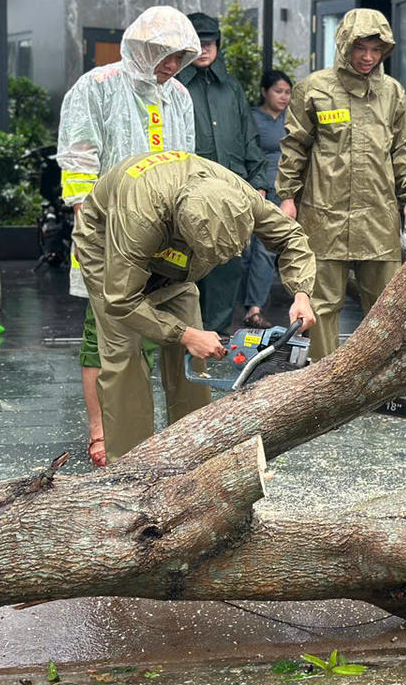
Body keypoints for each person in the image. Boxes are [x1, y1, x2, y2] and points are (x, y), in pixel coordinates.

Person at [72, 150, 316, 460]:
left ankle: (194, 450)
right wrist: (185, 334)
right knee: (125, 356)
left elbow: (291, 237)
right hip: (108, 243)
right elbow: (122, 300)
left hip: (174, 259)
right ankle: (131, 467)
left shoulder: (240, 198)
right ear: (186, 234)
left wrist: (301, 294)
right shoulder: (140, 217)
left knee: (191, 351)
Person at [56, 6, 200, 468]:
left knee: (170, 327)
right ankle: (103, 433)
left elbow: (188, 163)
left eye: (179, 55)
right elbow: (78, 160)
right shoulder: (97, 87)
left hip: (167, 237)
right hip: (109, 233)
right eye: (163, 53)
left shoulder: (178, 95)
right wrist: (88, 228)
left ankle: (177, 431)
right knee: (107, 332)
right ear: (139, 46)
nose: (172, 64)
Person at [276, 8, 406, 360]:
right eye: (361, 48)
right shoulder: (313, 89)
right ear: (344, 45)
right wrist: (287, 197)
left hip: (377, 212)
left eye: (376, 49)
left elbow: (403, 148)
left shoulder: (391, 93)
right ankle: (324, 377)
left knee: (386, 300)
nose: (368, 57)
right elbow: (295, 146)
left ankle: (378, 374)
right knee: (322, 302)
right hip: (324, 213)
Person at [176, 12, 268, 333]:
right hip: (188, 191)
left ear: (218, 45)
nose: (204, 50)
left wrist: (258, 182)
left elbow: (249, 137)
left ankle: (218, 332)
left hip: (231, 189)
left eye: (210, 43)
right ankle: (189, 333)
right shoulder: (174, 87)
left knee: (228, 263)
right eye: (197, 44)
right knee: (188, 263)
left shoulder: (231, 88)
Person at [239, 70, 293, 328]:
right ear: (264, 92)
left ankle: (254, 308)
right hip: (255, 189)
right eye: (278, 91)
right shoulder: (252, 118)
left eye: (287, 92)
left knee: (265, 249)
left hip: (283, 192)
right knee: (246, 250)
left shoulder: (291, 119)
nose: (283, 97)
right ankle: (244, 304)